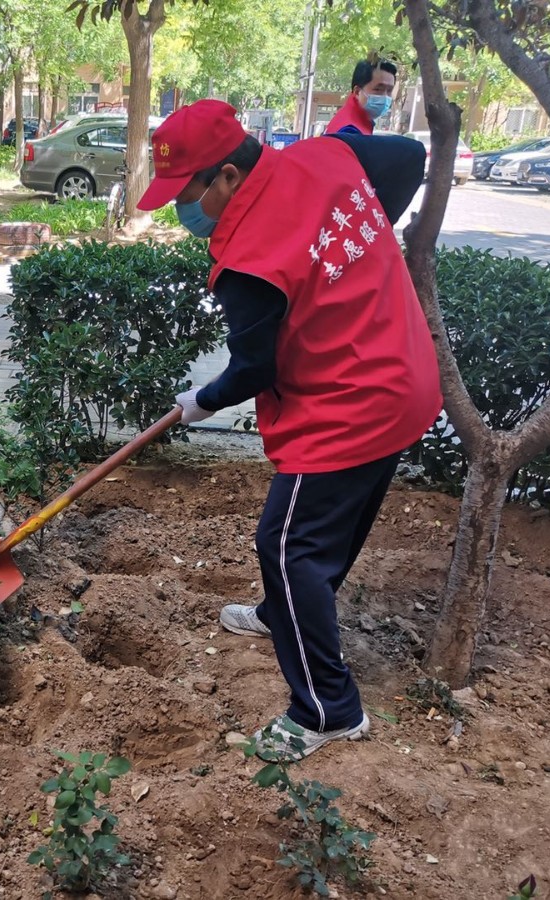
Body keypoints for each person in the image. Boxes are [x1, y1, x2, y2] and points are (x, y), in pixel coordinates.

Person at [139, 99, 440, 761]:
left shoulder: (248, 255)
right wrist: (352, 251)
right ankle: (286, 616)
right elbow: (410, 158)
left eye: (186, 191)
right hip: (405, 380)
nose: (179, 209)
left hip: (349, 404)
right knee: (331, 529)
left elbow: (254, 367)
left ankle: (328, 709)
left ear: (224, 176)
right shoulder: (325, 155)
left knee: (286, 545)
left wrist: (201, 400)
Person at [326, 57, 397, 135]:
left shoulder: (360, 121)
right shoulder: (349, 130)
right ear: (357, 92)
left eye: (389, 90)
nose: (385, 96)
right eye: (378, 89)